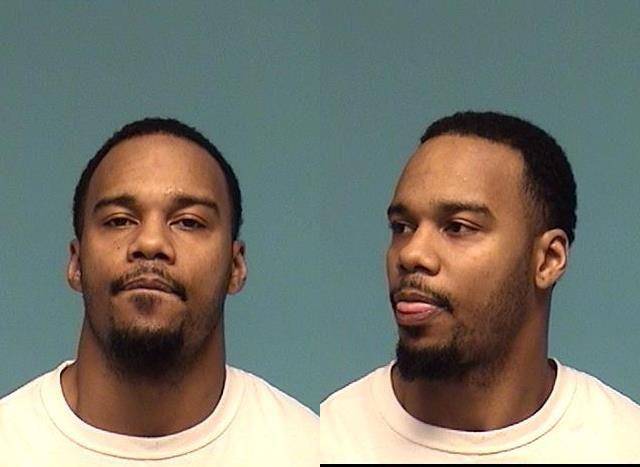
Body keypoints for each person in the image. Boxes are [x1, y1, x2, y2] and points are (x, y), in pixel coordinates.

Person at [320, 110, 640, 463]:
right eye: (402, 227)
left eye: (457, 227)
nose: (411, 254)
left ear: (548, 260)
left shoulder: (624, 445)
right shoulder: (328, 440)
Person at [0, 117, 318, 466]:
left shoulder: (307, 450)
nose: (150, 242)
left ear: (235, 267)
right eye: (119, 220)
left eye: (189, 222)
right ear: (76, 263)